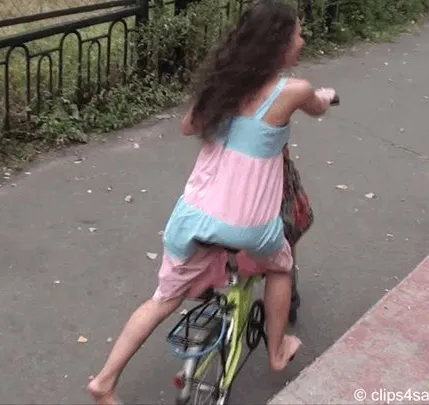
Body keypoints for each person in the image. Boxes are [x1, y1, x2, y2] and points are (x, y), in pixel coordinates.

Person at [88, 0, 336, 403]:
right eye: (297, 32)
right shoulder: (294, 91)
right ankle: (276, 352)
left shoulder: (224, 86)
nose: (302, 39)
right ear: (279, 43)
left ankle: (104, 380)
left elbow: (190, 127)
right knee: (280, 266)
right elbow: (319, 107)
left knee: (161, 300)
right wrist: (324, 95)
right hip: (249, 224)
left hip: (194, 217)